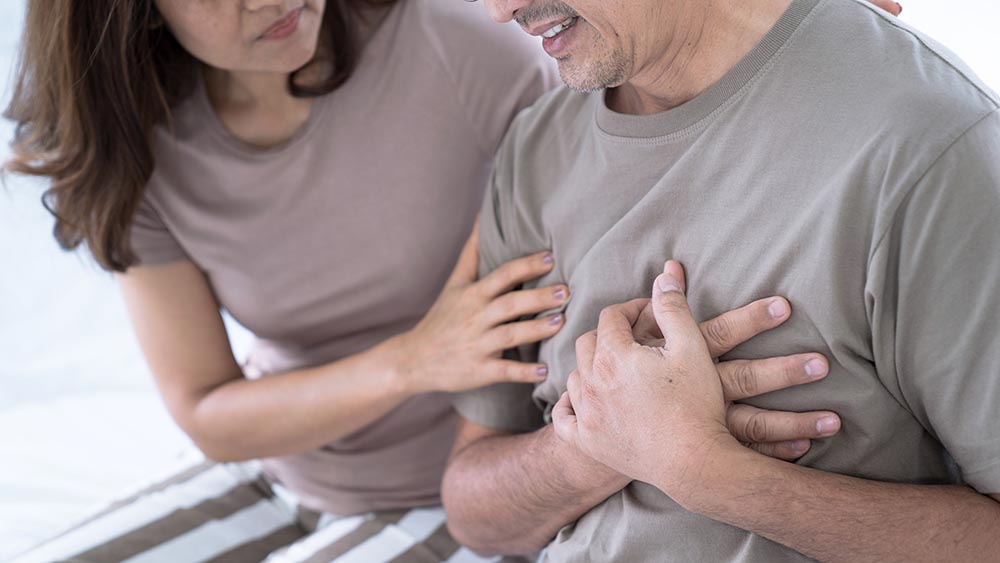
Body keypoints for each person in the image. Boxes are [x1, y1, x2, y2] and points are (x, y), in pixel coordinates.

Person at [3, 0, 834, 561]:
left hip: (467, 493)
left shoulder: (447, 42)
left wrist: (795, 34)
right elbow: (209, 410)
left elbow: (645, 140)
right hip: (287, 468)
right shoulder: (142, 145)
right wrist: (414, 358)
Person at [443, 0, 1000, 562]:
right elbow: (476, 516)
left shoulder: (928, 143)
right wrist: (596, 442)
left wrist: (703, 472)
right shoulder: (536, 145)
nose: (499, 10)